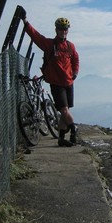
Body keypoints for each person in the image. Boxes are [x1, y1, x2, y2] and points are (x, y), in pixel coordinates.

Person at [23, 16, 80, 147]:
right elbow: (36, 36)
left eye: (65, 29)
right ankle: (73, 128)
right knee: (65, 111)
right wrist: (25, 22)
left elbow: (76, 60)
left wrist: (75, 72)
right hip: (56, 83)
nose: (63, 31)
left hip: (69, 82)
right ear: (56, 30)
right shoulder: (50, 45)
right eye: (60, 29)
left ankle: (61, 138)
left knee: (63, 113)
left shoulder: (70, 46)